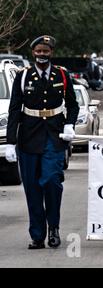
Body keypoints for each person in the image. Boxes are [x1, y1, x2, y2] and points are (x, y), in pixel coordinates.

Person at [5, 35, 80, 249]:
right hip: (28, 138)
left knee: (51, 182)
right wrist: (10, 142)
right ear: (33, 53)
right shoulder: (23, 76)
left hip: (54, 137)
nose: (42, 55)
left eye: (45, 51)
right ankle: (37, 235)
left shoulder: (62, 75)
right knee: (32, 188)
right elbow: (14, 111)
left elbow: (72, 105)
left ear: (51, 52)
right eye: (38, 51)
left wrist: (69, 124)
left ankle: (53, 228)